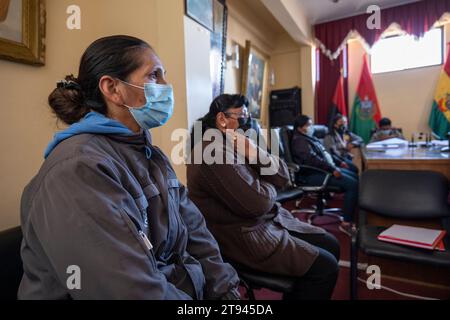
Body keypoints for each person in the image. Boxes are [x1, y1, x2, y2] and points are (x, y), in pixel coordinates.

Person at [18, 35, 240, 300]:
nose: (166, 86)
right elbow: (131, 291)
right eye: (154, 76)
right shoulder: (78, 169)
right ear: (113, 89)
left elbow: (197, 235)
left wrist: (227, 292)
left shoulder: (150, 155)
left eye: (164, 75)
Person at [187, 94, 340, 300]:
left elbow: (284, 177)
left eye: (247, 115)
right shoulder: (212, 152)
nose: (247, 121)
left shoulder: (238, 144)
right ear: (222, 119)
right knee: (326, 268)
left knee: (331, 244)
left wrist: (255, 153)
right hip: (244, 236)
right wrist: (269, 188)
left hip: (268, 221)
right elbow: (258, 204)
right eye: (241, 115)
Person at [291, 115, 358, 236]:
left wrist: (339, 163)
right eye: (308, 125)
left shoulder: (309, 137)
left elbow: (325, 154)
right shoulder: (299, 141)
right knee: (353, 184)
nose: (311, 127)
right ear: (300, 128)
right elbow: (313, 161)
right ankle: (346, 224)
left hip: (323, 170)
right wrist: (332, 169)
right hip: (312, 175)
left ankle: (349, 210)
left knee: (354, 176)